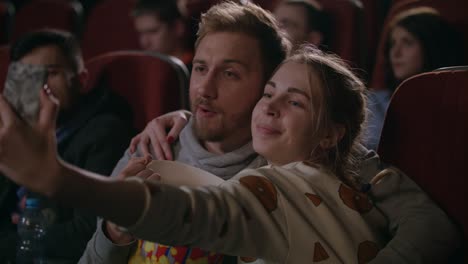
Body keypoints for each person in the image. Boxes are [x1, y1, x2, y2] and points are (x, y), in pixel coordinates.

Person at [0, 2, 461, 264]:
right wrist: (117, 232)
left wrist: (61, 179)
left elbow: (204, 214)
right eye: (200, 68)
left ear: (265, 81)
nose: (205, 87)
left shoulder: (300, 159)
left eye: (231, 74)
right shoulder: (152, 145)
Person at [0, 29, 135, 263]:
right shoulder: (16, 129)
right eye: (28, 76)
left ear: (81, 79)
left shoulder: (104, 133)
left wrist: (10, 244)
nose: (40, 87)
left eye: (51, 73)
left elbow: (88, 232)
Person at [364, 7, 466, 150]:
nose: (396, 53)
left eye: (407, 42)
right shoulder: (372, 101)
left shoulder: (454, 104)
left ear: (430, 47)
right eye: (393, 43)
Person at [132, 0, 193, 65]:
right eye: (141, 33)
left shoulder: (197, 69)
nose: (145, 42)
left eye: (153, 31)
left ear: (178, 27)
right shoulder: (143, 70)